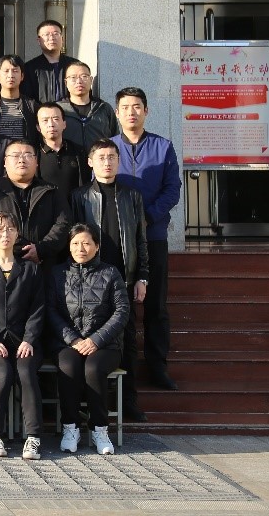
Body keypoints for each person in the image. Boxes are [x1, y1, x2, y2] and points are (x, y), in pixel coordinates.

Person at [70, 138, 150, 421]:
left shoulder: (132, 195)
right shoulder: (79, 196)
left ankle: (129, 401)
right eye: (101, 157)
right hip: (89, 280)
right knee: (85, 338)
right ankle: (85, 402)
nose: (107, 162)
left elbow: (141, 239)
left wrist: (142, 276)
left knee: (128, 340)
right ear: (90, 162)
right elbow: (74, 240)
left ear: (119, 161)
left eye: (112, 157)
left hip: (123, 279)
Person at [111, 87, 182, 392]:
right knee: (120, 305)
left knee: (156, 306)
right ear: (117, 113)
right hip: (119, 240)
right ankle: (123, 368)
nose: (132, 112)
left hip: (153, 235)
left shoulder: (162, 147)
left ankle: (157, 366)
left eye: (137, 106)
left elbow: (172, 189)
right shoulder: (109, 148)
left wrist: (147, 217)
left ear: (146, 111)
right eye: (126, 107)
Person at [48, 224, 131, 456]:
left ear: (96, 246)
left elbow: (122, 311)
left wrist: (95, 340)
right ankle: (70, 428)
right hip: (68, 343)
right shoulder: (57, 273)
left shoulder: (111, 273)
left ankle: (99, 429)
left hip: (105, 344)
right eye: (75, 243)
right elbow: (50, 311)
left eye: (86, 243)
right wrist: (73, 339)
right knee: (68, 366)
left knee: (93, 369)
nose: (80, 248)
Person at [0, 211, 45, 461]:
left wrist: (29, 338)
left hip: (25, 342)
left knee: (26, 372)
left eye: (10, 229)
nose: (5, 234)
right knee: (2, 374)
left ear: (17, 233)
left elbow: (38, 308)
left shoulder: (31, 269)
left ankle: (33, 437)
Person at [0, 139, 70, 266]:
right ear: (5, 162)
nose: (21, 160)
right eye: (15, 156)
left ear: (36, 162)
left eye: (28, 155)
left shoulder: (51, 191)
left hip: (44, 264)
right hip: (4, 264)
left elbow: (63, 224)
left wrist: (40, 249)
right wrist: (20, 249)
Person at [57, 61, 119, 147]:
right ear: (66, 82)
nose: (79, 81)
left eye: (84, 76)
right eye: (73, 77)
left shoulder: (104, 108)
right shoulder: (58, 110)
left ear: (91, 80)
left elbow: (115, 138)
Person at [36, 102, 88, 203]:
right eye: (45, 120)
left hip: (74, 209)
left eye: (56, 119)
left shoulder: (79, 151)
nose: (51, 125)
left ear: (64, 124)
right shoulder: (34, 154)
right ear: (38, 127)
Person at [22, 20, 78, 103]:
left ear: (62, 39)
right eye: (46, 34)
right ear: (39, 41)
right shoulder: (30, 68)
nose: (52, 38)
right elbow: (26, 98)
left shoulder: (74, 65)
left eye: (56, 34)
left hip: (71, 111)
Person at [0, 55, 39, 144]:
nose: (11, 75)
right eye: (6, 71)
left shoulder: (32, 106)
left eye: (15, 71)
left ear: (22, 76)